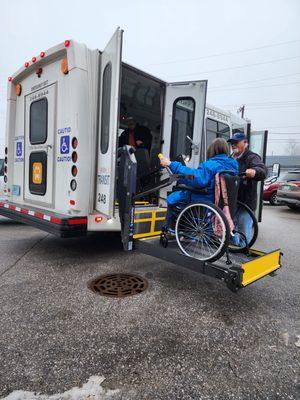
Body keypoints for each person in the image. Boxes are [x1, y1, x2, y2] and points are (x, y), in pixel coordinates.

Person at [159, 138, 239, 231]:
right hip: (222, 200)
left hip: (205, 199)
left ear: (212, 149)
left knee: (173, 198)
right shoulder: (233, 165)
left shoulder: (210, 165)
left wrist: (171, 164)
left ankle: (170, 229)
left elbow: (197, 179)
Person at [227, 132, 268, 245]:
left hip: (246, 202)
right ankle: (235, 251)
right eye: (232, 143)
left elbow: (262, 170)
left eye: (236, 142)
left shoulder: (252, 157)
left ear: (245, 143)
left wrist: (254, 171)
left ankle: (243, 252)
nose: (233, 145)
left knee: (243, 231)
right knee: (231, 230)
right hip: (231, 202)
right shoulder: (229, 158)